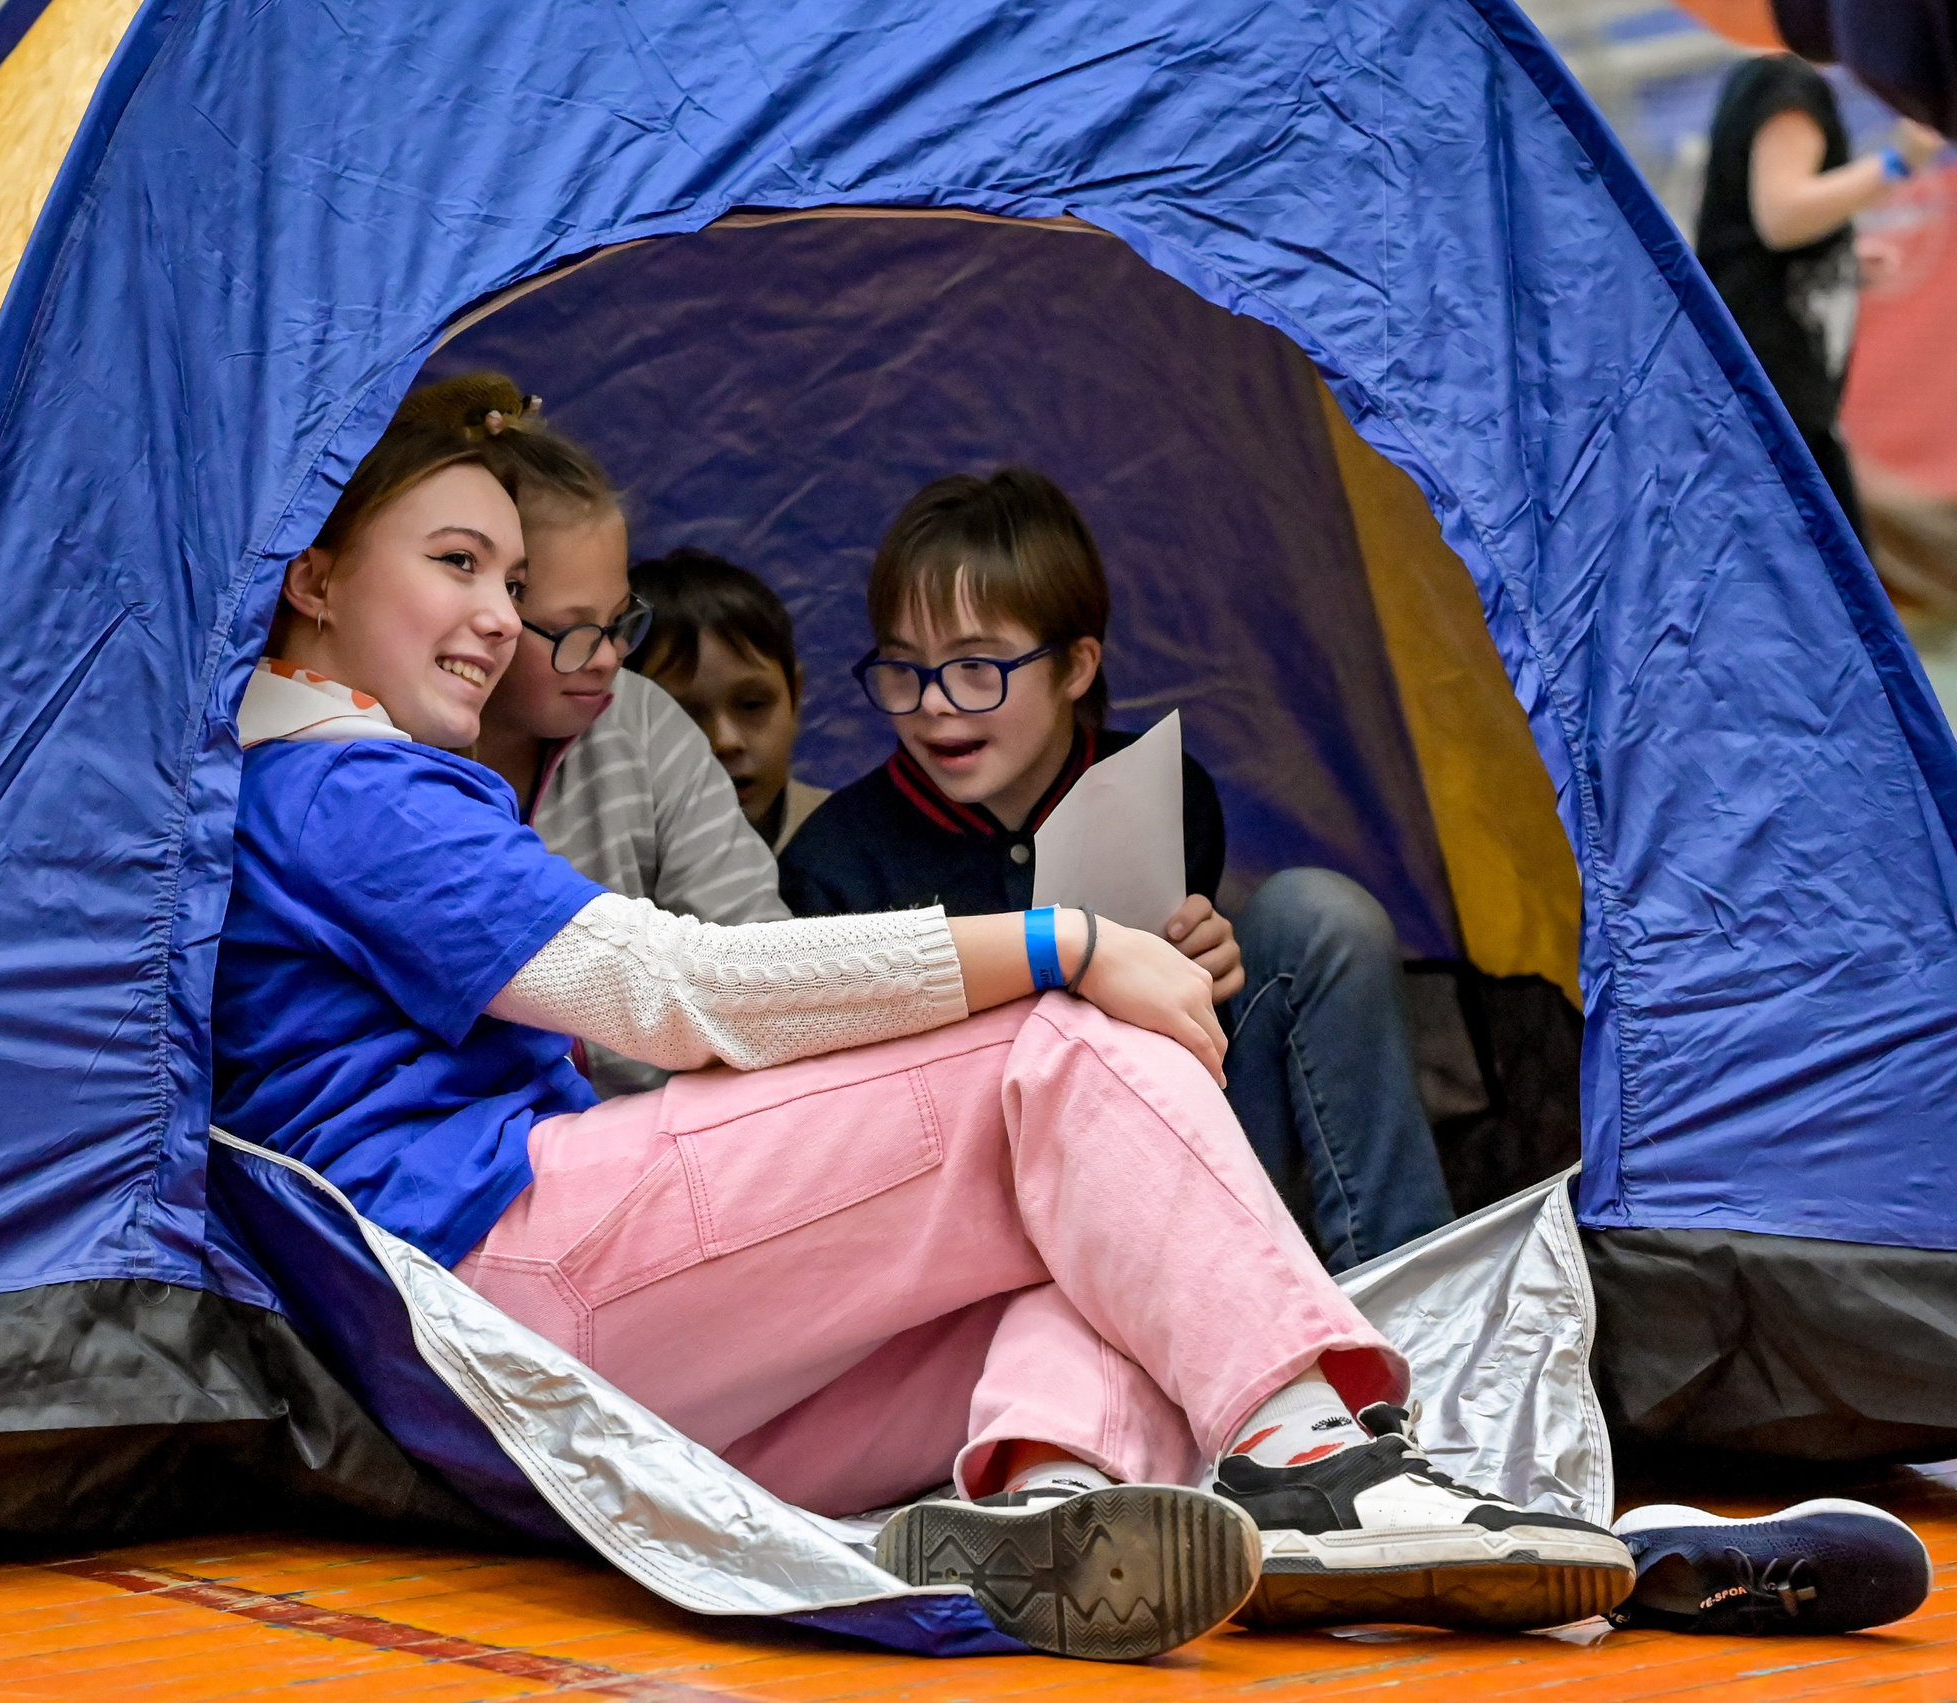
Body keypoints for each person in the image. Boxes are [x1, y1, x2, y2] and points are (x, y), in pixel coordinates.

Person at [210, 408, 1632, 1658]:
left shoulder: (311, 789)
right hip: (507, 1283)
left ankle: (1047, 1505)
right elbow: (668, 990)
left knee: (1108, 1260)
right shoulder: (348, 789)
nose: (500, 619)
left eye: (512, 582)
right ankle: (1323, 1460)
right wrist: (1066, 944)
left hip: (540, 1394)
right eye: (457, 563)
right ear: (314, 578)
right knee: (1058, 1040)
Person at [779, 470, 1454, 1273]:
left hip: (1180, 1156)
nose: (933, 703)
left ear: (1075, 667)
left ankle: (1413, 1295)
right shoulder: (835, 863)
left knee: (1319, 915)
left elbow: (1186, 1041)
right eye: (903, 668)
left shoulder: (1163, 790)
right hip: (992, 1221)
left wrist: (1201, 972)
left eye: (975, 667)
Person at [421, 375, 788, 1096]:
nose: (609, 657)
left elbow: (756, 954)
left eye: (620, 621)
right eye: (573, 630)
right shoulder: (389, 768)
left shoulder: (644, 722)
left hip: (662, 1126)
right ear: (488, 612)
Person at [1697, 52, 1942, 543]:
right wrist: (1899, 161)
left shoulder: (1759, 82)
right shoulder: (1786, 84)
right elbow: (1781, 216)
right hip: (1773, 400)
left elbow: (1752, 233)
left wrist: (1840, 257)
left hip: (1765, 398)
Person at [628, 547, 831, 852]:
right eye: (680, 717)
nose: (725, 741)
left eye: (752, 705)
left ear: (795, 698)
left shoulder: (850, 845)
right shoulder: (581, 864)